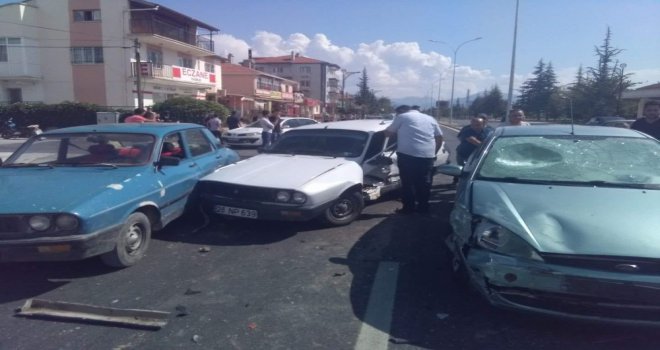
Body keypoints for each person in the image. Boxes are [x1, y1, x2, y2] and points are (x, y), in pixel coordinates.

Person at [385, 105, 444, 215]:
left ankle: (408, 209)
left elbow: (388, 133)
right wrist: (433, 153)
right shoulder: (430, 118)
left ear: (401, 112)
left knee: (408, 183)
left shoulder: (402, 117)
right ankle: (423, 208)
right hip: (427, 157)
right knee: (424, 183)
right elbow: (439, 137)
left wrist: (399, 132)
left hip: (408, 156)